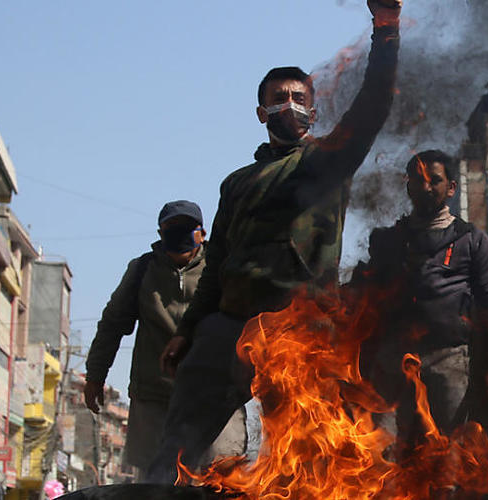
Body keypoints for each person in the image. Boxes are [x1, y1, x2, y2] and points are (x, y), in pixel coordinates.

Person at [145, 0, 401, 483]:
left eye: (299, 97)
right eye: (279, 98)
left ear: (314, 108)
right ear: (262, 111)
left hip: (300, 329)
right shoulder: (236, 182)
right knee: (178, 443)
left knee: (307, 459)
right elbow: (216, 258)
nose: (290, 105)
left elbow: (373, 106)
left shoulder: (326, 163)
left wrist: (386, 29)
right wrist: (188, 329)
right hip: (230, 325)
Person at [349, 150, 488, 445]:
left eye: (435, 180)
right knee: (381, 450)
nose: (426, 187)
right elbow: (367, 298)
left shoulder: (471, 240)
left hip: (448, 357)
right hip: (393, 358)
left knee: (445, 452)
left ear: (451, 187)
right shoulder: (388, 240)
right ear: (407, 185)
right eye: (418, 180)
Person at [84, 200, 236, 478]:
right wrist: (95, 375)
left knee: (220, 481)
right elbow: (112, 324)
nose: (179, 235)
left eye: (187, 229)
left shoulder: (222, 269)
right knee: (155, 486)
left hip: (215, 397)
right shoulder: (143, 270)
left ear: (202, 233)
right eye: (171, 229)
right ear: (160, 233)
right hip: (155, 397)